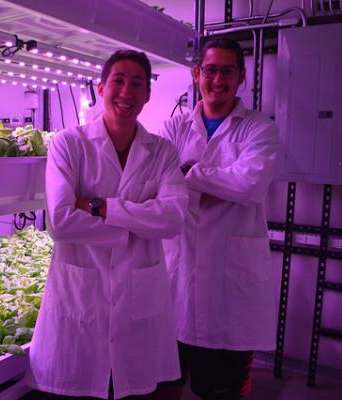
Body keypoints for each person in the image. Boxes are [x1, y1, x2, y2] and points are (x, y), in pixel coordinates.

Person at [25, 50, 189, 399]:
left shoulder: (162, 152)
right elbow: (61, 222)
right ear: (101, 88)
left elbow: (173, 219)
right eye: (118, 81)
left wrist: (100, 206)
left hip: (139, 296)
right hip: (79, 295)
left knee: (133, 387)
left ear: (147, 94)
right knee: (78, 384)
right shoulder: (69, 144)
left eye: (136, 84)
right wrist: (139, 221)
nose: (126, 92)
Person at [158, 38, 279, 400]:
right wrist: (218, 184)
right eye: (210, 70)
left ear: (241, 77)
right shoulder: (174, 128)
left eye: (228, 71)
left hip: (230, 291)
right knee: (165, 385)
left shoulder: (260, 129)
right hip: (175, 284)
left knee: (222, 391)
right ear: (197, 74)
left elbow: (250, 184)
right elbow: (158, 184)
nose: (218, 79)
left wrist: (188, 174)